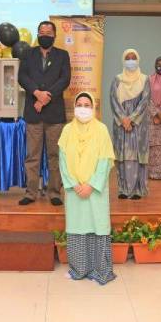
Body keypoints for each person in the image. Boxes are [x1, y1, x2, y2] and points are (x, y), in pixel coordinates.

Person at [59, 92, 116, 285]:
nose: (83, 108)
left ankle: (100, 271)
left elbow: (105, 161)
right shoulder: (67, 130)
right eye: (79, 104)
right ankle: (78, 269)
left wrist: (91, 185)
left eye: (87, 105)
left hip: (95, 191)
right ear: (74, 107)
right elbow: (62, 161)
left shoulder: (101, 130)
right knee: (77, 227)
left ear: (93, 108)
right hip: (74, 190)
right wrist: (74, 184)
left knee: (97, 226)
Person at [18, 21, 71, 206]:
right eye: (42, 32)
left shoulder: (62, 55)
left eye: (49, 32)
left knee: (54, 156)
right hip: (33, 112)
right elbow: (22, 77)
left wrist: (46, 97)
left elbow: (65, 79)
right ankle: (31, 193)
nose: (45, 35)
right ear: (38, 34)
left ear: (54, 35)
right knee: (32, 156)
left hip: (54, 114)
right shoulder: (28, 54)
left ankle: (54, 193)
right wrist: (36, 93)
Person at [110, 48, 150, 200]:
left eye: (133, 58)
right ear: (123, 60)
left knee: (136, 156)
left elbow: (145, 102)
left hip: (138, 125)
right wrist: (123, 119)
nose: (131, 61)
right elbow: (113, 101)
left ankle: (137, 190)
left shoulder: (145, 79)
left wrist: (131, 119)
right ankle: (123, 189)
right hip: (121, 125)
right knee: (122, 156)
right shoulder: (117, 79)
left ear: (138, 60)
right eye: (128, 58)